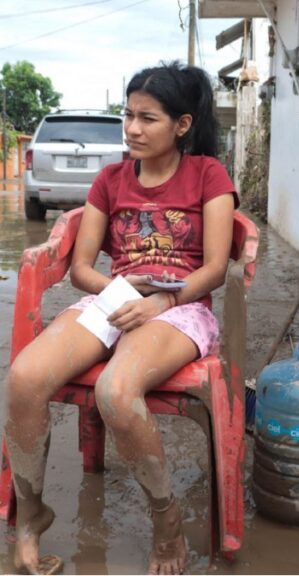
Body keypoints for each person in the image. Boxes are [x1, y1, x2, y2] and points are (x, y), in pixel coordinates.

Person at [5, 61, 238, 575]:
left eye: (148, 118)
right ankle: (30, 517)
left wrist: (163, 301)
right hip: (116, 296)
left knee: (115, 391)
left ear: (181, 125)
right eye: (128, 116)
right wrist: (120, 288)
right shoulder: (110, 180)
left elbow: (216, 268)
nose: (132, 129)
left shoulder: (208, 175)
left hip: (181, 308)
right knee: (23, 378)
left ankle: (166, 520)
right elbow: (82, 269)